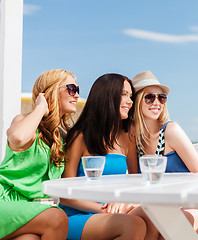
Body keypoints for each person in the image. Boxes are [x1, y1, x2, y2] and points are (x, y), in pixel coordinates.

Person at [127, 70, 198, 239]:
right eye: (149, 97)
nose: (157, 102)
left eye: (161, 97)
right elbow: (134, 182)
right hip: (168, 206)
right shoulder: (134, 139)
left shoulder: (170, 131)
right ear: (136, 101)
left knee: (171, 226)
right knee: (137, 224)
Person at [59, 73, 146, 240]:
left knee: (153, 216)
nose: (130, 101)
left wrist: (124, 202)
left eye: (131, 96)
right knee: (134, 225)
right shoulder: (80, 136)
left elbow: (136, 183)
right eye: (124, 95)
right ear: (107, 97)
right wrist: (103, 209)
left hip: (113, 212)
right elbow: (66, 196)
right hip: (78, 215)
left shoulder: (128, 137)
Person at [0, 69, 79, 239]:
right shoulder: (23, 121)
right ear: (51, 91)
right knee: (57, 217)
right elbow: (18, 138)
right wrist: (41, 107)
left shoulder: (62, 139)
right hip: (4, 201)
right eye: (72, 89)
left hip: (29, 209)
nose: (77, 95)